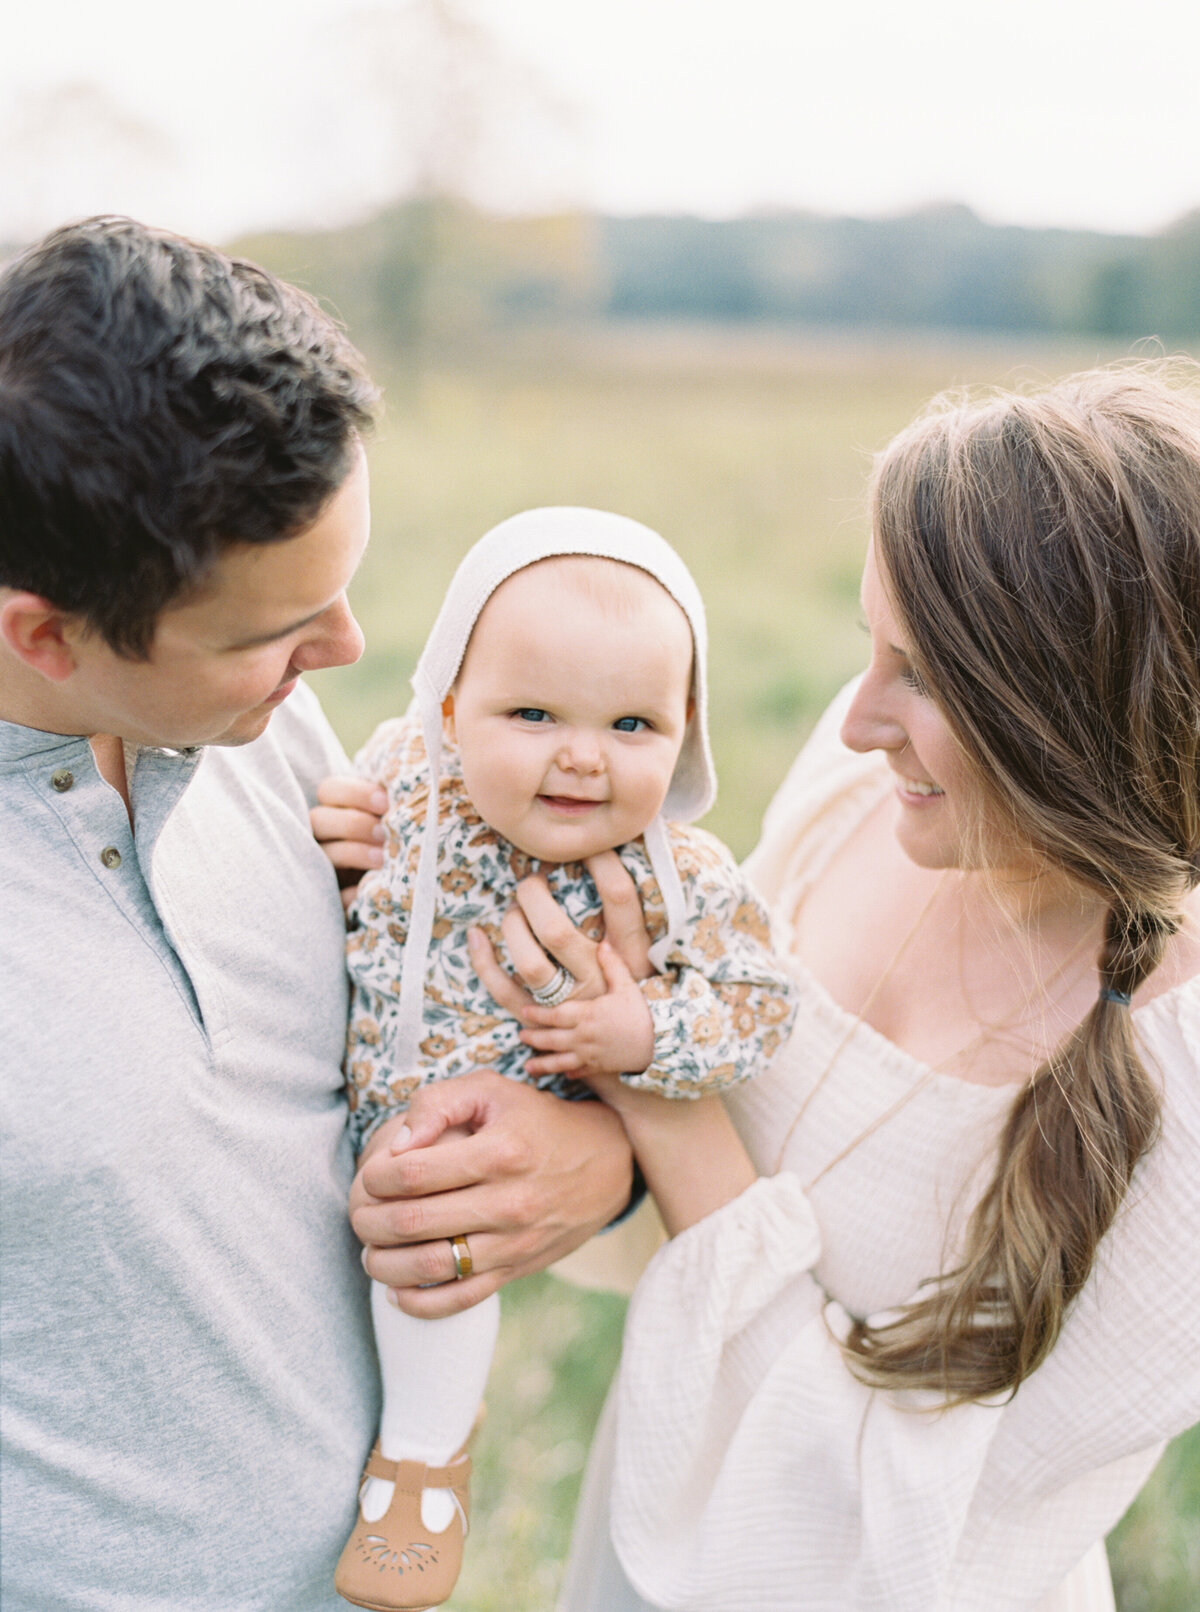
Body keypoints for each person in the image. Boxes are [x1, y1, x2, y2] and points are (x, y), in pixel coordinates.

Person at [343, 365, 1199, 1611]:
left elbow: (917, 1542)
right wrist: (588, 1146)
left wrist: (663, 1124)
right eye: (871, 646)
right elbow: (691, 1062)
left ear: (1066, 713)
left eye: (926, 677)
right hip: (647, 1523)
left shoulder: (1177, 1074)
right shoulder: (868, 802)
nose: (854, 721)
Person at [0, 216, 636, 1612]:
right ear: (45, 635)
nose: (344, 652)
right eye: (271, 631)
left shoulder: (260, 728)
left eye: (339, 590)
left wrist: (590, 1164)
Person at [332, 508, 796, 1609]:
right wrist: (341, 855)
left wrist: (641, 1035)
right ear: (449, 706)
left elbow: (761, 1006)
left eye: (632, 723)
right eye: (533, 713)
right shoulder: (407, 782)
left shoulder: (677, 875)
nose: (582, 755)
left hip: (483, 1146)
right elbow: (361, 903)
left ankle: (425, 1462)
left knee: (438, 1261)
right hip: (347, 1096)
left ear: (688, 728)